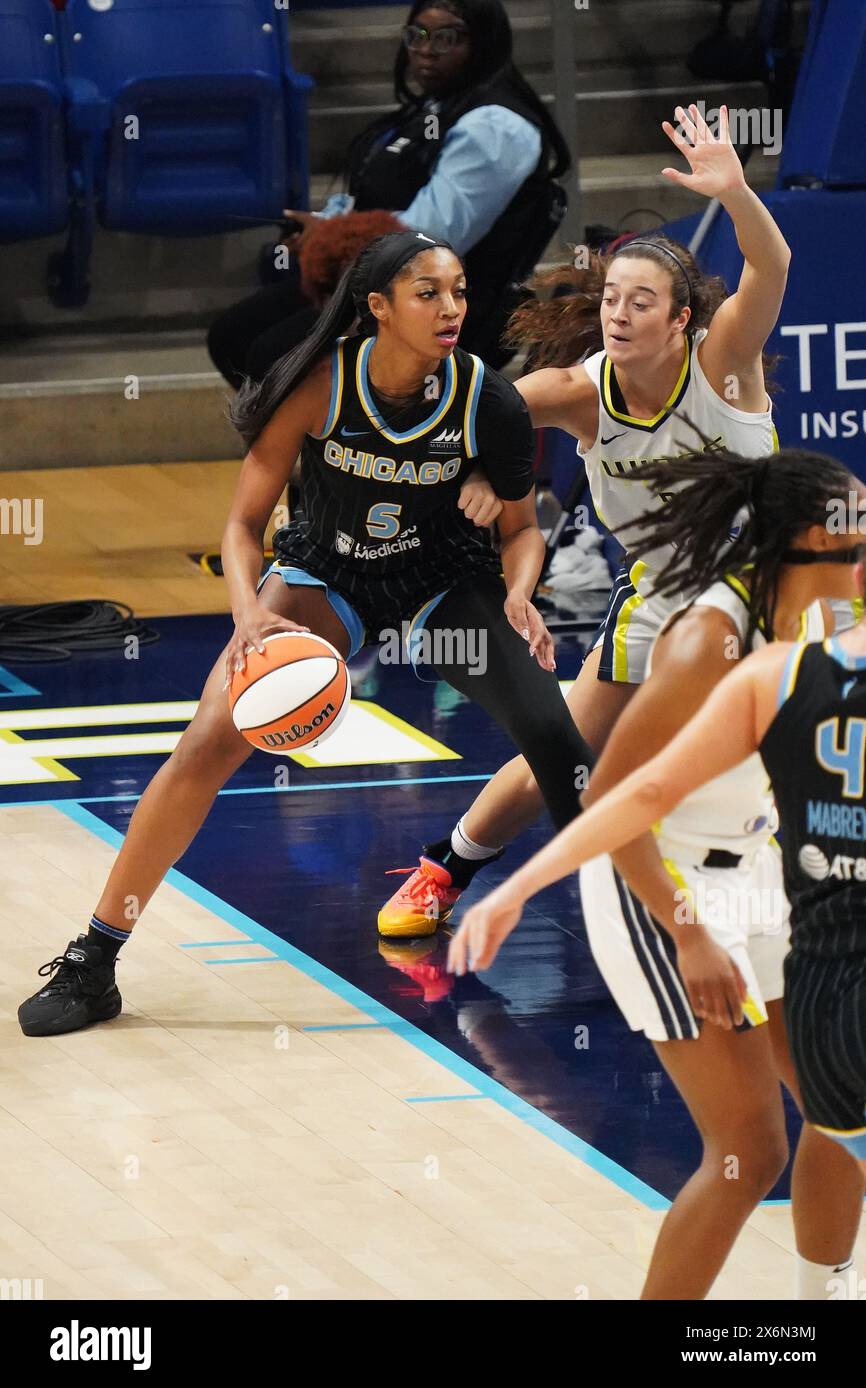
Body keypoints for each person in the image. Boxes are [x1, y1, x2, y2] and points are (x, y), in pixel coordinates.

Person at [18, 230, 592, 1039]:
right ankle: (96, 957)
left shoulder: (487, 399)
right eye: (429, 292)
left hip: (443, 582)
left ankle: (648, 938)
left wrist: (521, 594)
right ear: (379, 307)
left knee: (552, 735)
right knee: (208, 741)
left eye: (459, 291)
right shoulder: (321, 388)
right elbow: (244, 522)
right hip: (328, 575)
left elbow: (522, 529)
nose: (452, 307)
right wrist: (250, 611)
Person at [448, 447, 866, 1298]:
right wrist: (690, 933)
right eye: (856, 524)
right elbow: (613, 798)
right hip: (658, 884)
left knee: (845, 1109)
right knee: (750, 1152)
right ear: (809, 538)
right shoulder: (709, 638)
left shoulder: (823, 615)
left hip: (759, 872)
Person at [379, 100, 792, 936]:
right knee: (557, 754)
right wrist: (476, 479)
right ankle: (443, 868)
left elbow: (770, 264)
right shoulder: (577, 395)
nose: (619, 312)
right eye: (614, 298)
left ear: (683, 320)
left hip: (774, 595)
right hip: (667, 601)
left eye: (644, 302)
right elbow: (464, 417)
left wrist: (739, 192)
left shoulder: (724, 360)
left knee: (803, 756)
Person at [207, 0, 570, 386]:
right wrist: (322, 227)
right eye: (417, 36)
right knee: (232, 337)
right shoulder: (432, 108)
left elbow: (428, 240)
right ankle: (309, 439)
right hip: (374, 280)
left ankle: (339, 438)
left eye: (449, 38)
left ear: (485, 43)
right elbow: (372, 199)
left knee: (272, 355)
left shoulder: (496, 126)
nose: (427, 50)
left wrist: (332, 240)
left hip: (437, 301)